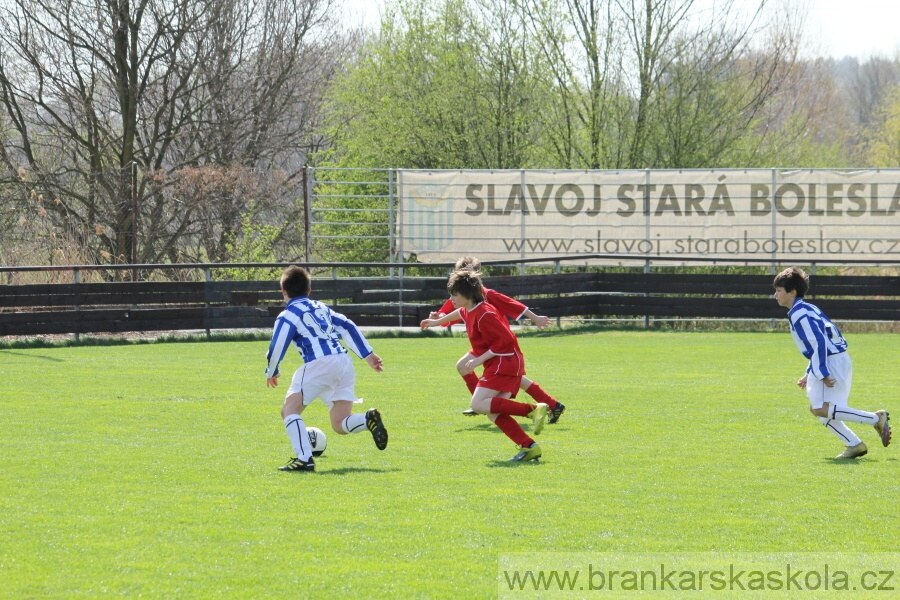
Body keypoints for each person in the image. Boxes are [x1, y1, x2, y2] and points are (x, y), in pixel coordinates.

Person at [265, 265, 389, 472]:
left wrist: (272, 370)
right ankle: (367, 420)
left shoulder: (288, 314)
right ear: (309, 290)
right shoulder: (321, 308)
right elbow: (347, 325)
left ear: (284, 292)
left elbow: (278, 344)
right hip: (343, 362)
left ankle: (305, 459)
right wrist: (367, 354)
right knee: (339, 424)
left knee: (289, 410)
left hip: (318, 364)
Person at [421, 268, 549, 461]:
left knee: (478, 404)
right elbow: (461, 313)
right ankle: (529, 447)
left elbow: (505, 341)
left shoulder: (485, 314)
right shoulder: (471, 309)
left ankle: (532, 410)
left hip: (505, 363)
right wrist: (435, 322)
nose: (452, 298)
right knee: (492, 411)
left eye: (455, 294)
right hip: (501, 362)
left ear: (468, 294)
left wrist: (479, 360)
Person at [429, 257, 566, 424]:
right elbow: (452, 311)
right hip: (484, 346)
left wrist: (535, 318)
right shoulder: (463, 294)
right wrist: (438, 318)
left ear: (477, 275)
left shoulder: (487, 295)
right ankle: (551, 404)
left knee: (511, 377)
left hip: (499, 345)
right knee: (507, 376)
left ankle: (483, 403)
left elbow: (513, 305)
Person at [773, 266, 891, 459]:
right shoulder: (805, 308)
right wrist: (810, 372)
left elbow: (819, 341)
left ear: (792, 292)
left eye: (778, 290)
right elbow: (820, 341)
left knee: (820, 408)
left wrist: (821, 372)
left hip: (830, 361)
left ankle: (875, 419)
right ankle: (855, 445)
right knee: (818, 409)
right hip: (835, 358)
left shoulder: (799, 313)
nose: (775, 295)